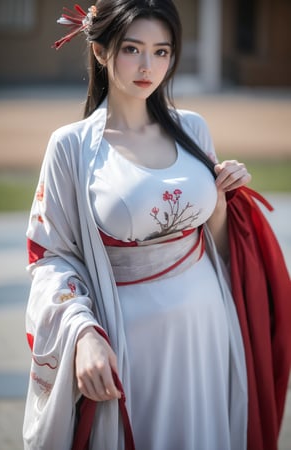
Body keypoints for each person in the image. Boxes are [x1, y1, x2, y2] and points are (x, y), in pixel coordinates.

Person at [23, 1, 291, 449]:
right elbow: (51, 256)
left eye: (162, 52)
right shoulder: (71, 147)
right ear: (103, 51)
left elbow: (217, 245)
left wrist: (222, 201)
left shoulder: (193, 129)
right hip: (132, 341)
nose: (149, 66)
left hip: (207, 327)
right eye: (133, 49)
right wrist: (82, 334)